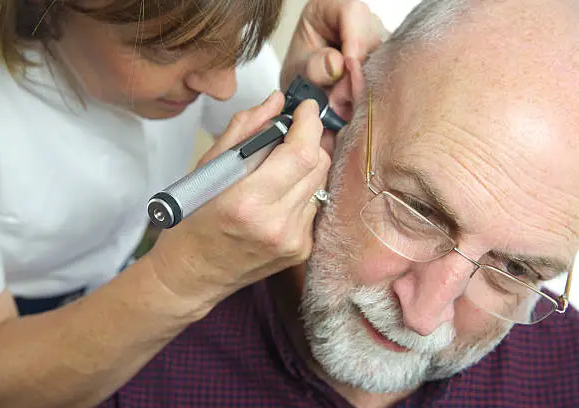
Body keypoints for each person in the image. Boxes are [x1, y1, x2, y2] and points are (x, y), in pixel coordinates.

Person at [99, 0, 579, 407]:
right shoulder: (127, 370)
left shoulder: (564, 377)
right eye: (418, 212)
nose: (425, 316)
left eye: (514, 269)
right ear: (345, 110)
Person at [0, 0, 385, 407]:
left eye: (236, 44)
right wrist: (179, 277)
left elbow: (283, 133)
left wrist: (320, 96)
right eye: (168, 49)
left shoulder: (198, 27)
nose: (225, 87)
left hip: (123, 268)